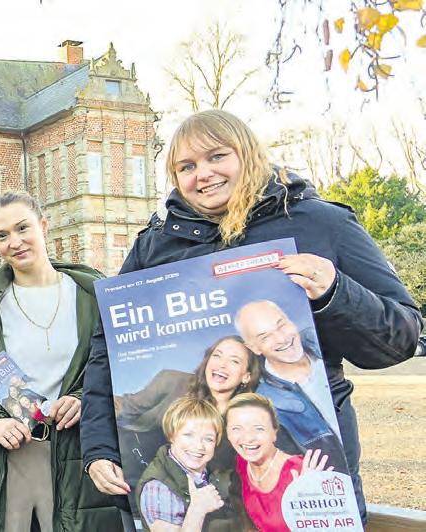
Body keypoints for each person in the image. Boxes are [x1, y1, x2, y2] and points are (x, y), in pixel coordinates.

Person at [81, 110, 421, 521]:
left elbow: (400, 337)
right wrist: (99, 449)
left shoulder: (320, 223)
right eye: (186, 167)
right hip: (209, 496)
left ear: (247, 153)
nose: (203, 174)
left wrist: (335, 291)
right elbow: (108, 351)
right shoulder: (153, 247)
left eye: (216, 157)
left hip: (311, 480)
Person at [0, 192, 122, 532]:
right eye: (2, 235)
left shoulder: (94, 300)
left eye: (23, 228)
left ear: (43, 226)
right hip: (1, 465)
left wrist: (84, 399)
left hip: (76, 458)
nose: (15, 242)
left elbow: (120, 373)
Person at [114, 336, 260, 484]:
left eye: (234, 361)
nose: (222, 364)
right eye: (217, 355)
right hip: (136, 467)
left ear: (246, 377)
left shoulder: (244, 421)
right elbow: (123, 406)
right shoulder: (172, 381)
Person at [235, 300, 346, 471]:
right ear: (254, 348)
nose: (281, 339)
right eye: (265, 337)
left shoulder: (322, 346)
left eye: (281, 325)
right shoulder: (266, 405)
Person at [226, 393, 333, 531]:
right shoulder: (242, 462)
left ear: (274, 432)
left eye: (258, 428)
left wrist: (313, 503)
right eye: (236, 428)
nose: (248, 438)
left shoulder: (300, 471)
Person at [135, 397, 245, 532]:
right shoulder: (158, 487)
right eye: (188, 435)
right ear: (172, 435)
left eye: (208, 439)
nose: (199, 446)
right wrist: (197, 510)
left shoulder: (214, 473)